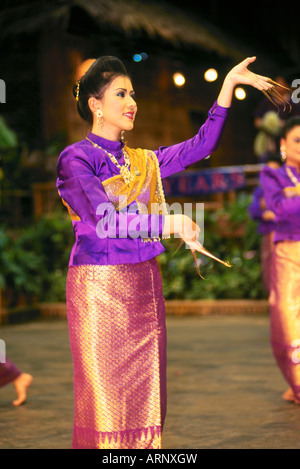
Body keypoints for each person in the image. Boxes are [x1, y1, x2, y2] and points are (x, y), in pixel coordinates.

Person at [56, 55, 275, 449]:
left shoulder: (143, 161)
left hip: (144, 286)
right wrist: (169, 222)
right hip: (99, 289)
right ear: (95, 104)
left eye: (133, 94)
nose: (131, 102)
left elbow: (202, 145)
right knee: (106, 399)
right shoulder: (76, 158)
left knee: (147, 397)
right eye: (121, 94)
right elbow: (104, 221)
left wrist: (227, 87)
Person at [260, 116, 300, 405]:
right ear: (283, 144)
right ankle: (298, 382)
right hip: (288, 252)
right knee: (287, 318)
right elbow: (280, 209)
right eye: (297, 140)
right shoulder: (273, 175)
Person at [248, 153, 282, 293]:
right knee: (268, 269)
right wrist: (265, 213)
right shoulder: (260, 190)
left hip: (287, 236)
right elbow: (253, 211)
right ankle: (273, 302)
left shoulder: (289, 189)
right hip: (268, 234)